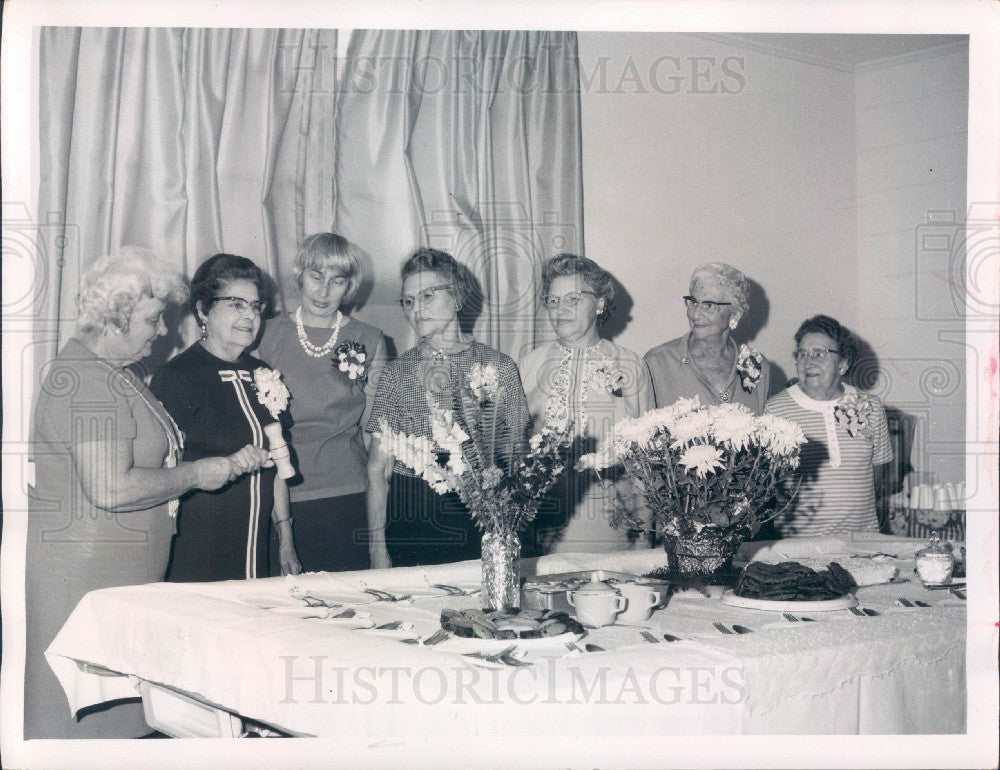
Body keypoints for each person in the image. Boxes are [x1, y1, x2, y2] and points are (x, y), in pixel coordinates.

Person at [25, 248, 262, 739]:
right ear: (115, 317)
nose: (162, 332)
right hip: (86, 586)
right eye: (153, 319)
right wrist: (199, 474)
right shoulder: (87, 383)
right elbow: (111, 488)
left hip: (114, 585)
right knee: (88, 737)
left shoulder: (114, 374)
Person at [365, 247, 530, 569]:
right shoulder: (396, 373)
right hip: (412, 518)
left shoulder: (499, 366)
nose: (416, 310)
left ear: (457, 298)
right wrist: (376, 551)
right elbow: (378, 470)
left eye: (427, 296)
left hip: (483, 518)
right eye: (408, 301)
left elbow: (517, 461)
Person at [150, 253, 301, 581]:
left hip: (260, 545)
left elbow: (277, 466)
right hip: (199, 547)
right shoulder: (177, 377)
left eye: (255, 306)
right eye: (236, 304)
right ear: (203, 309)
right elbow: (158, 473)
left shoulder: (263, 373)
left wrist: (286, 542)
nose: (250, 315)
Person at [255, 233, 386, 572]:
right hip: (280, 498)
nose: (324, 291)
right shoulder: (265, 334)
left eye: (337, 280)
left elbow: (373, 435)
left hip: (348, 495)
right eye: (316, 276)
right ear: (299, 275)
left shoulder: (370, 340)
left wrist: (378, 537)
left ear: (350, 286)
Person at [519, 254, 654, 554]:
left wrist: (646, 534)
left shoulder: (631, 365)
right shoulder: (528, 365)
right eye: (552, 301)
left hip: (614, 527)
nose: (560, 310)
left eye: (573, 299)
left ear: (600, 303)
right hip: (545, 529)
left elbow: (647, 459)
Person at [764, 315, 892, 535]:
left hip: (862, 540)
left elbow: (878, 474)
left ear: (842, 363)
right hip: (798, 545)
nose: (808, 362)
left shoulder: (871, 406)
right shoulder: (776, 409)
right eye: (802, 354)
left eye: (818, 354)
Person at [644, 262, 771, 414]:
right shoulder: (657, 363)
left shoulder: (758, 366)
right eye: (692, 302)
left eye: (708, 305)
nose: (695, 314)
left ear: (735, 313)